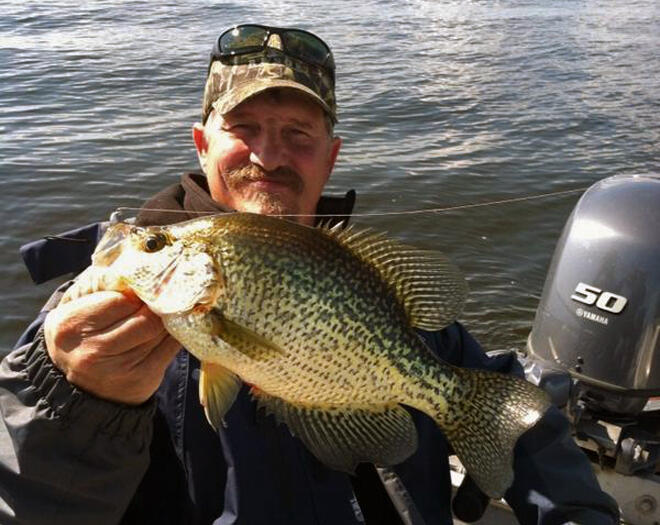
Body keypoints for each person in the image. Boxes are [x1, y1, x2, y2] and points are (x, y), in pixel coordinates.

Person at [0, 24, 619, 525]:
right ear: (202, 144)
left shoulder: (365, 286)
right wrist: (78, 397)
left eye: (298, 134)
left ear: (332, 154)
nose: (269, 156)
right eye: (244, 130)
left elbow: (508, 409)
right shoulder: (89, 321)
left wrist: (577, 511)